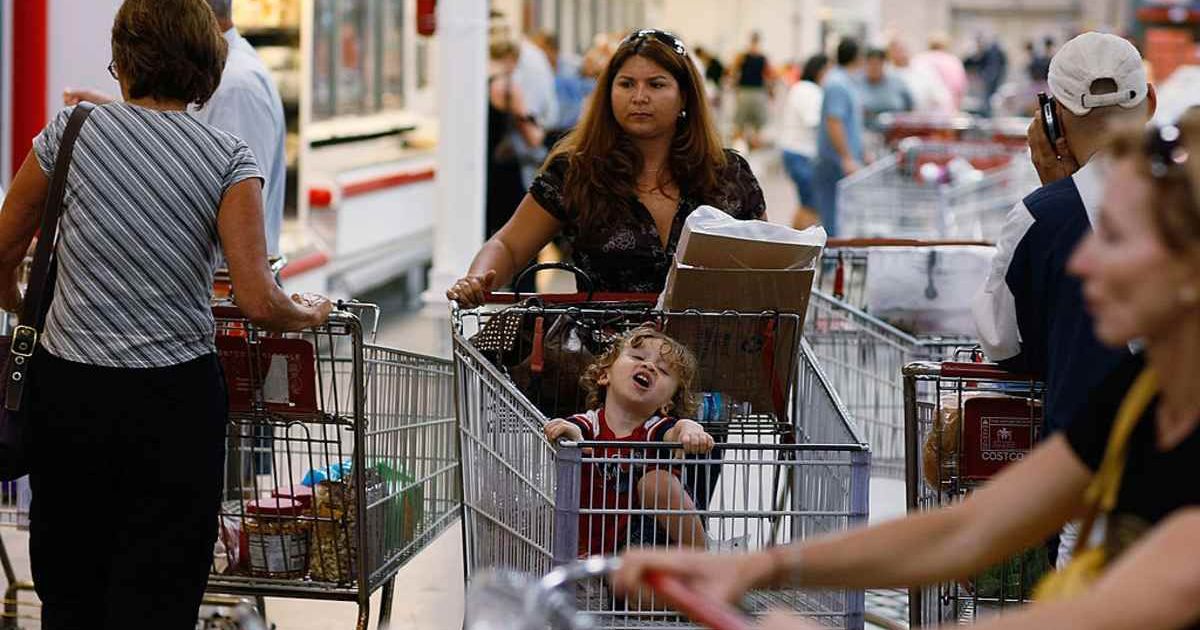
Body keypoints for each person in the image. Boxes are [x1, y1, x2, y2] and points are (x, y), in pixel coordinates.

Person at [612, 109, 1200, 630]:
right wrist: (755, 565)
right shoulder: (1143, 394)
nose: (1083, 258)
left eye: (1116, 237)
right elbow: (969, 528)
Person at [0, 1, 332, 627]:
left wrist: (23, 310)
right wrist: (308, 314)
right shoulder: (228, 157)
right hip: (173, 406)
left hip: (70, 397)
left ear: (123, 60)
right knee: (159, 596)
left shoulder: (70, 133)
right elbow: (257, 298)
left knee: (72, 590)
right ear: (207, 64)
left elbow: (2, 252)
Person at [972, 31, 1157, 564]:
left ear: (1053, 116)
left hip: (1084, 505)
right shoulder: (1182, 199)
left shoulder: (1043, 217)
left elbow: (1003, 345)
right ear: (1149, 101)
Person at [447, 28, 766, 307]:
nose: (639, 97)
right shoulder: (575, 173)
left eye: (656, 85)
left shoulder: (728, 174)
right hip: (604, 362)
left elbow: (772, 262)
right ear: (608, 93)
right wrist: (478, 280)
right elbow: (508, 245)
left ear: (685, 96)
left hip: (714, 358)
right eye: (626, 84)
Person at [63, 0, 288, 256]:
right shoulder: (223, 75)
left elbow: (238, 215)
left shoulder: (234, 87)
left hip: (226, 285)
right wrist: (116, 113)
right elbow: (182, 134)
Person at [543, 327, 715, 558]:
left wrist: (690, 428)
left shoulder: (654, 428)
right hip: (591, 540)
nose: (649, 366)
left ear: (667, 404)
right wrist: (570, 433)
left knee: (656, 482)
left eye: (663, 370)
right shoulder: (589, 424)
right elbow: (574, 431)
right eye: (637, 357)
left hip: (647, 537)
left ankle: (701, 558)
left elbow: (676, 430)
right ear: (605, 375)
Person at [486, 38, 545, 240]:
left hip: (481, 170)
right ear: (511, 59)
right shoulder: (507, 87)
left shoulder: (475, 83)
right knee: (519, 236)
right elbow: (533, 137)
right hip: (503, 172)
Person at [812, 38, 866, 238]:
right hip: (834, 162)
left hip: (842, 160)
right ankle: (830, 266)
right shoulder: (837, 84)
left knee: (840, 217)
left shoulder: (845, 81)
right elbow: (834, 122)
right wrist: (846, 157)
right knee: (832, 219)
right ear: (857, 57)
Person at [779, 54, 828, 230]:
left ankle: (795, 243)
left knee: (807, 203)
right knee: (811, 206)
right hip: (801, 154)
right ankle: (800, 245)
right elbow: (814, 121)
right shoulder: (809, 90)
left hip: (796, 152)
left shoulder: (802, 88)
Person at [889, 38, 954, 114]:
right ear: (890, 54)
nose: (900, 54)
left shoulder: (924, 69)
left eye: (902, 50)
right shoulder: (888, 73)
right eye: (895, 51)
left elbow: (942, 96)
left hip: (927, 116)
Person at [732, 31, 773, 149]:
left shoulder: (742, 56)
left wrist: (736, 87)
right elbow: (768, 76)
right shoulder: (762, 57)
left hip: (745, 91)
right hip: (757, 92)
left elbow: (734, 73)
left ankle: (739, 147)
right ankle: (752, 146)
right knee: (756, 123)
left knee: (740, 121)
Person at [858, 47, 914, 132]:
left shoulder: (897, 82)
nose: (874, 68)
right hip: (868, 134)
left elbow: (911, 107)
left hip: (896, 133)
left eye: (878, 63)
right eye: (870, 63)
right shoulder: (858, 84)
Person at [914, 33, 968, 111]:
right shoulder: (953, 61)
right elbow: (960, 87)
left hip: (922, 108)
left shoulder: (919, 59)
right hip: (948, 108)